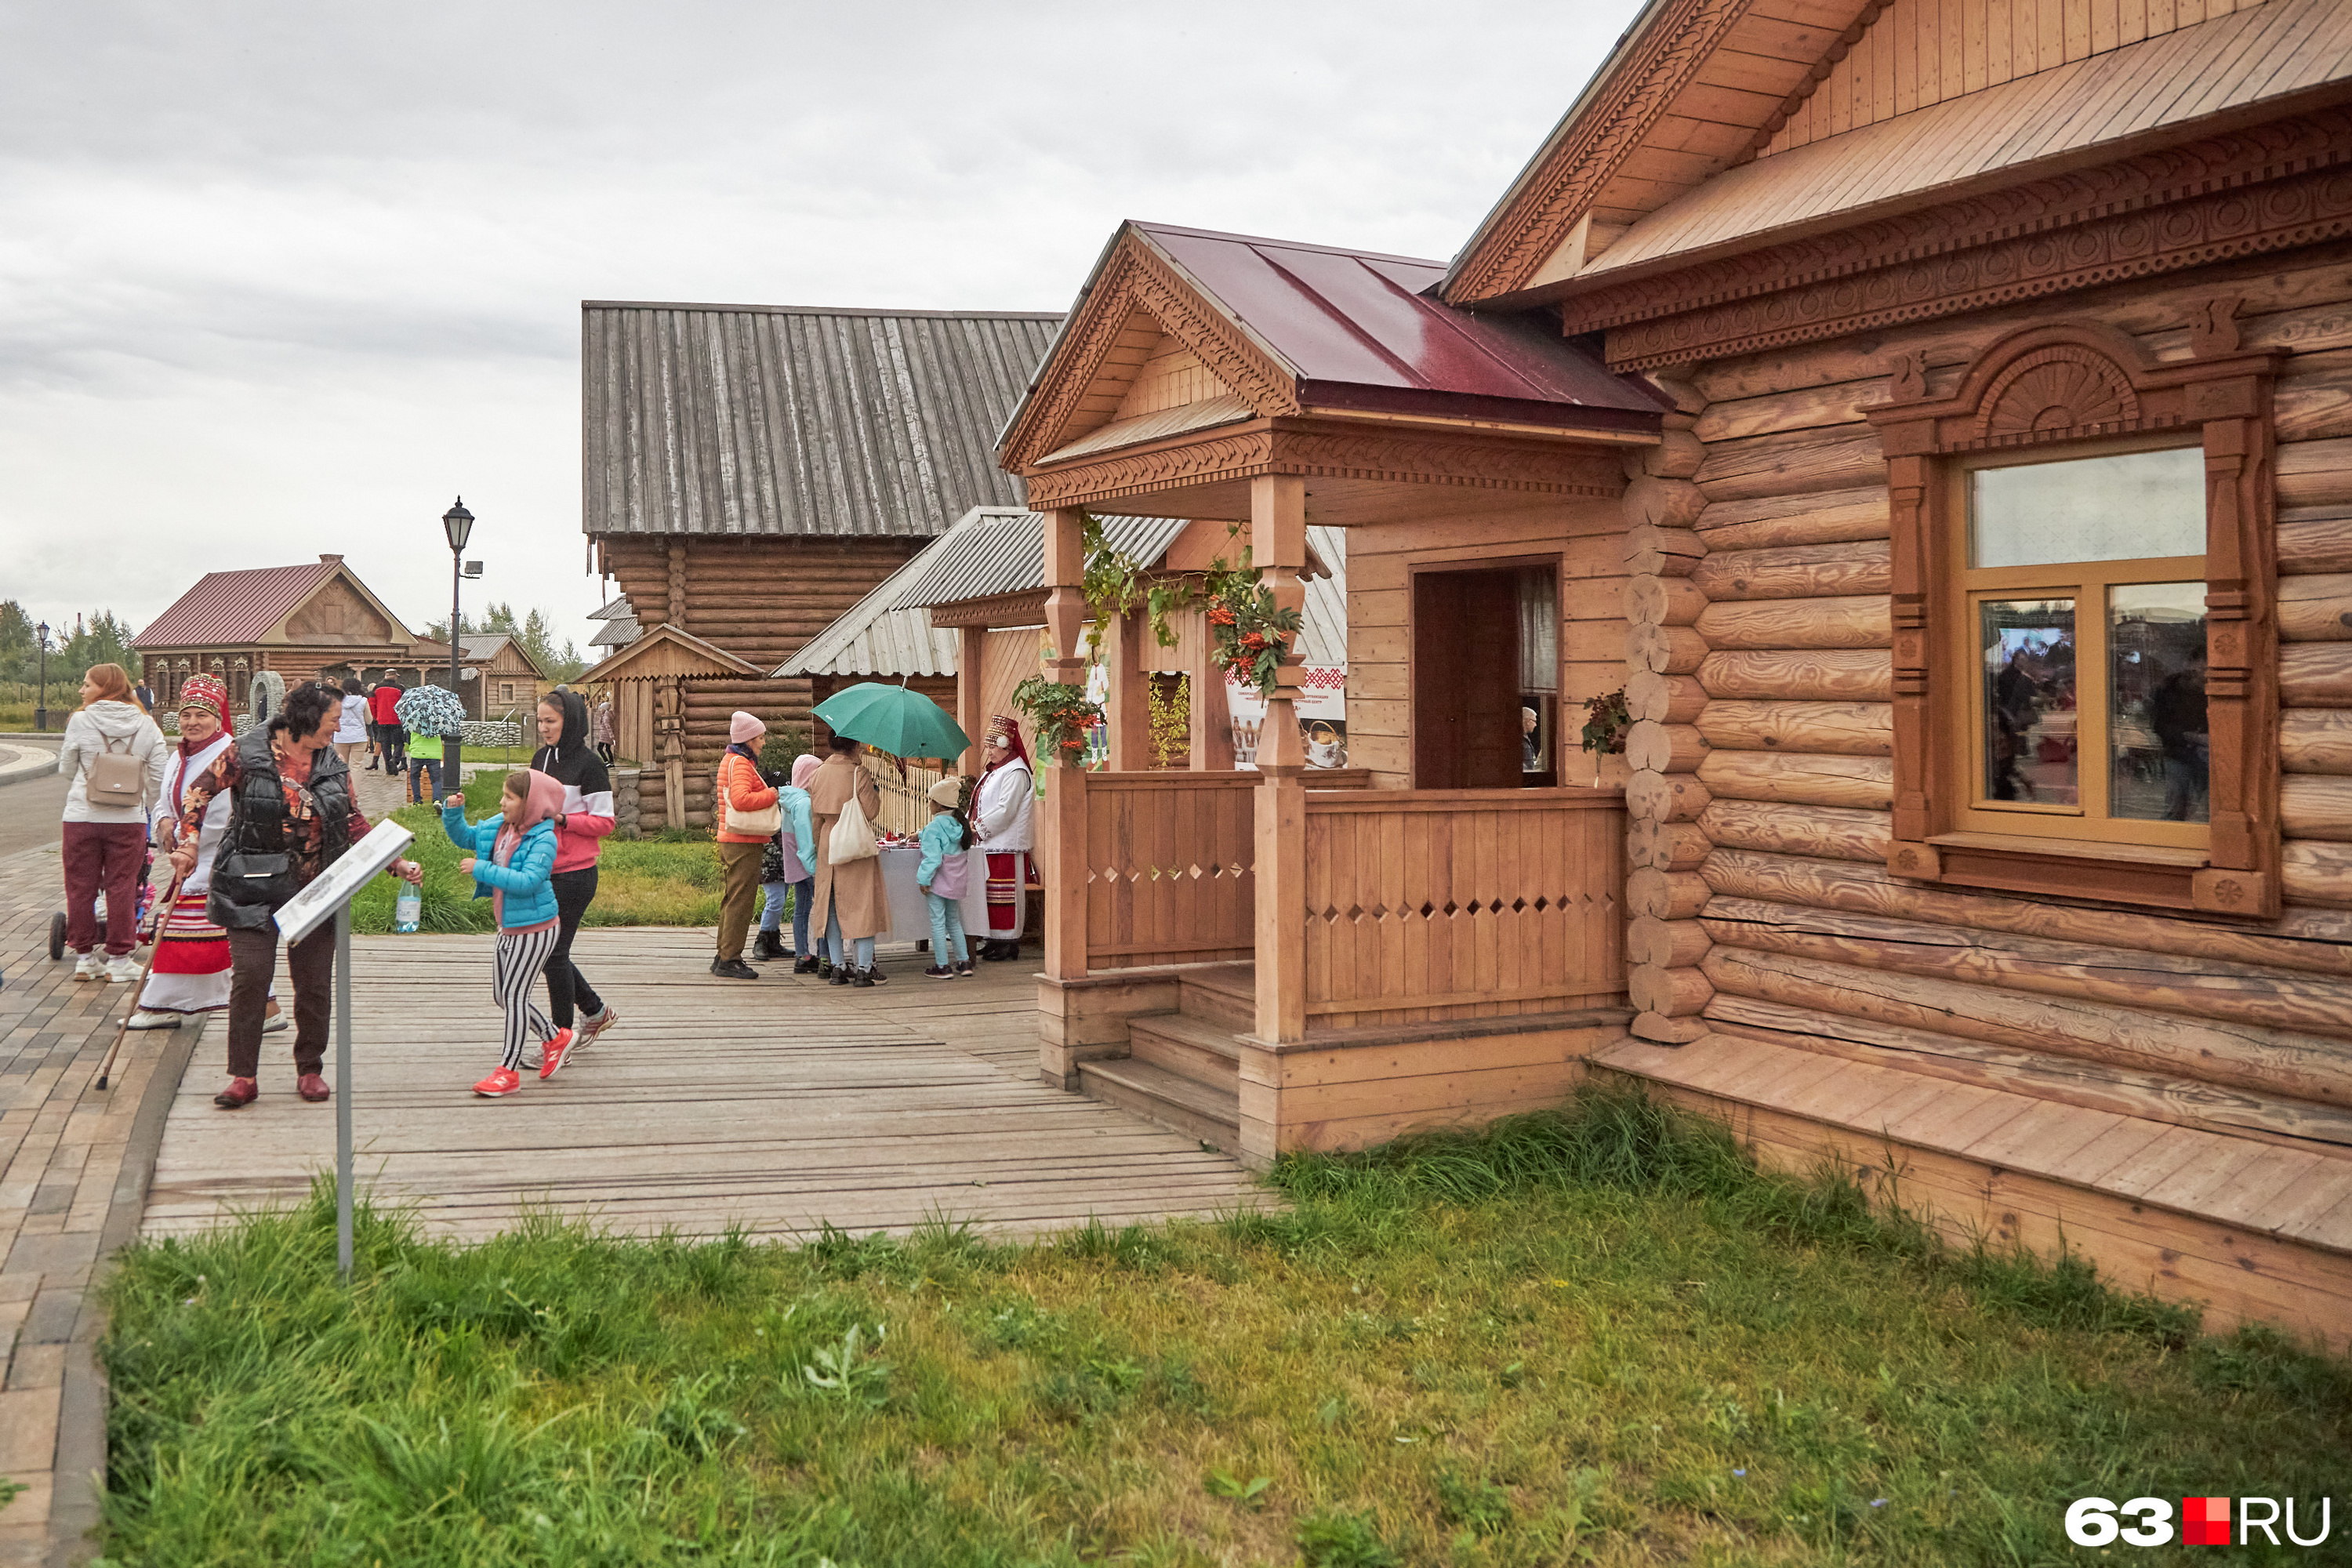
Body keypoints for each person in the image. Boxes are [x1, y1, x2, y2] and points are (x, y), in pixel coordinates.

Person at [176, 682, 423, 1109]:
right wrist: (190, 841)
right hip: (251, 886)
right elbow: (197, 794)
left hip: (316, 889)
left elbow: (351, 820)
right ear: (307, 720)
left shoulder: (331, 763)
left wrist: (394, 862)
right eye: (332, 721)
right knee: (251, 978)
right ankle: (243, 1076)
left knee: (313, 984)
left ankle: (310, 1068)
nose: (338, 728)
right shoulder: (246, 754)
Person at [125, 676, 283, 1035]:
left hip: (217, 862)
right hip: (191, 858)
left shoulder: (229, 754)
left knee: (205, 941)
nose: (192, 722)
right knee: (214, 943)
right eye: (187, 715)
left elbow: (225, 810)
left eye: (202, 715)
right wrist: (164, 823)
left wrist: (186, 837)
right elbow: (166, 798)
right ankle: (262, 1007)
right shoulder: (179, 755)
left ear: (217, 717)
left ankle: (165, 1004)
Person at [442, 771, 572, 1097]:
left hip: (536, 928)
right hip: (509, 926)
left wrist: (481, 869)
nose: (502, 802)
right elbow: (468, 837)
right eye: (503, 795)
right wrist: (453, 813)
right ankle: (554, 1037)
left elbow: (528, 880)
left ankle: (508, 1070)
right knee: (504, 995)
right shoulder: (502, 827)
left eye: (510, 797)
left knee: (514, 997)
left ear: (531, 804)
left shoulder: (544, 839)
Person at [57, 662, 169, 982]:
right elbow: (158, 780)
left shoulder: (80, 720)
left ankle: (84, 957)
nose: (82, 690)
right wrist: (144, 802)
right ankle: (119, 960)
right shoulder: (147, 725)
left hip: (81, 816)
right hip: (127, 819)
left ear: (105, 688)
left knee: (80, 887)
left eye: (87, 684)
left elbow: (66, 769)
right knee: (123, 887)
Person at [529, 689, 620, 1050]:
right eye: (540, 721)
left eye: (550, 722)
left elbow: (605, 822)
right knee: (549, 952)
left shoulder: (590, 765)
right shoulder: (539, 759)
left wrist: (564, 819)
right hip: (541, 870)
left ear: (571, 722)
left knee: (553, 953)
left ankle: (559, 1038)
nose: (544, 728)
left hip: (576, 874)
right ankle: (595, 1012)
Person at [807, 735, 889, 987]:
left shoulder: (818, 773)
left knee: (830, 907)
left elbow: (815, 817)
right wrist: (874, 790)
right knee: (862, 905)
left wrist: (819, 844)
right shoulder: (858, 773)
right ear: (854, 746)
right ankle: (864, 968)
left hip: (828, 841)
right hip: (853, 841)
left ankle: (838, 967)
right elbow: (871, 811)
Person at [712, 711, 779, 980]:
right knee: (741, 900)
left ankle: (723, 954)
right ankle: (731, 959)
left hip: (733, 840)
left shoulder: (732, 759)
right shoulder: (740, 763)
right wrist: (772, 792)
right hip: (743, 841)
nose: (763, 742)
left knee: (732, 898)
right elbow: (740, 800)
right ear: (749, 739)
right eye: (761, 737)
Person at [971, 714, 1035, 961]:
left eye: (991, 746)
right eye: (987, 746)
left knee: (1003, 896)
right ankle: (994, 939)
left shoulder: (1016, 772)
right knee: (991, 895)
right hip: (992, 844)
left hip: (1006, 844)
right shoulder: (999, 771)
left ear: (1005, 744)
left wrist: (977, 828)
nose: (988, 752)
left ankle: (1008, 942)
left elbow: (1006, 810)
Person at [755, 753, 819, 969]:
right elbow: (805, 839)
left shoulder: (789, 799)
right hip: (796, 863)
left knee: (796, 906)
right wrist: (813, 866)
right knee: (819, 908)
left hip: (790, 862)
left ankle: (799, 953)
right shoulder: (802, 803)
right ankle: (825, 957)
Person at [916, 775, 976, 980]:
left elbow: (932, 859)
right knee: (954, 921)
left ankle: (942, 965)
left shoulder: (934, 828)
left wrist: (923, 880)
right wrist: (920, 833)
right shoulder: (961, 826)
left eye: (931, 800)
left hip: (937, 884)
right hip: (955, 883)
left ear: (938, 804)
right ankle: (964, 961)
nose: (929, 804)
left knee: (938, 923)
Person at [2149, 645, 2209, 822]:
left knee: (2214, 811)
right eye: (2202, 669)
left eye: (2207, 670)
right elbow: (2158, 725)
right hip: (2178, 755)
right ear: (2189, 664)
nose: (2204, 675)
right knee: (2175, 808)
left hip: (2210, 756)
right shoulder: (2167, 689)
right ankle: (2167, 841)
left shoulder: (2215, 687)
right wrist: (2190, 737)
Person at [368, 677, 407, 774]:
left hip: (382, 720)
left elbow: (372, 703)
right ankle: (395, 760)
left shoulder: (377, 688)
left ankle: (389, 768)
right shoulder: (400, 688)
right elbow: (404, 704)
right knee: (399, 742)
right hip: (396, 720)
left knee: (385, 744)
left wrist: (375, 716)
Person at [593, 694, 616, 765]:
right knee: (608, 749)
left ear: (605, 709)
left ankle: (606, 762)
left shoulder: (606, 717)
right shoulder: (607, 715)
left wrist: (612, 736)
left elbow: (608, 727)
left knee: (599, 748)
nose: (600, 710)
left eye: (601, 708)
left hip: (605, 736)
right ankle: (611, 763)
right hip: (606, 735)